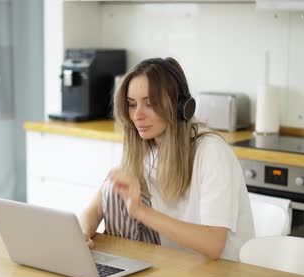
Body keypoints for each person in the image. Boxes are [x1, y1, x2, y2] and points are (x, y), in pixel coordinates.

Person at [78, 57, 254, 261]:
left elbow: (214, 245)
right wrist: (81, 234)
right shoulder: (145, 149)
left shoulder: (211, 153)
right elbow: (94, 209)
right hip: (175, 268)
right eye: (132, 104)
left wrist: (141, 212)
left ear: (180, 106)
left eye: (149, 104)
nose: (137, 115)